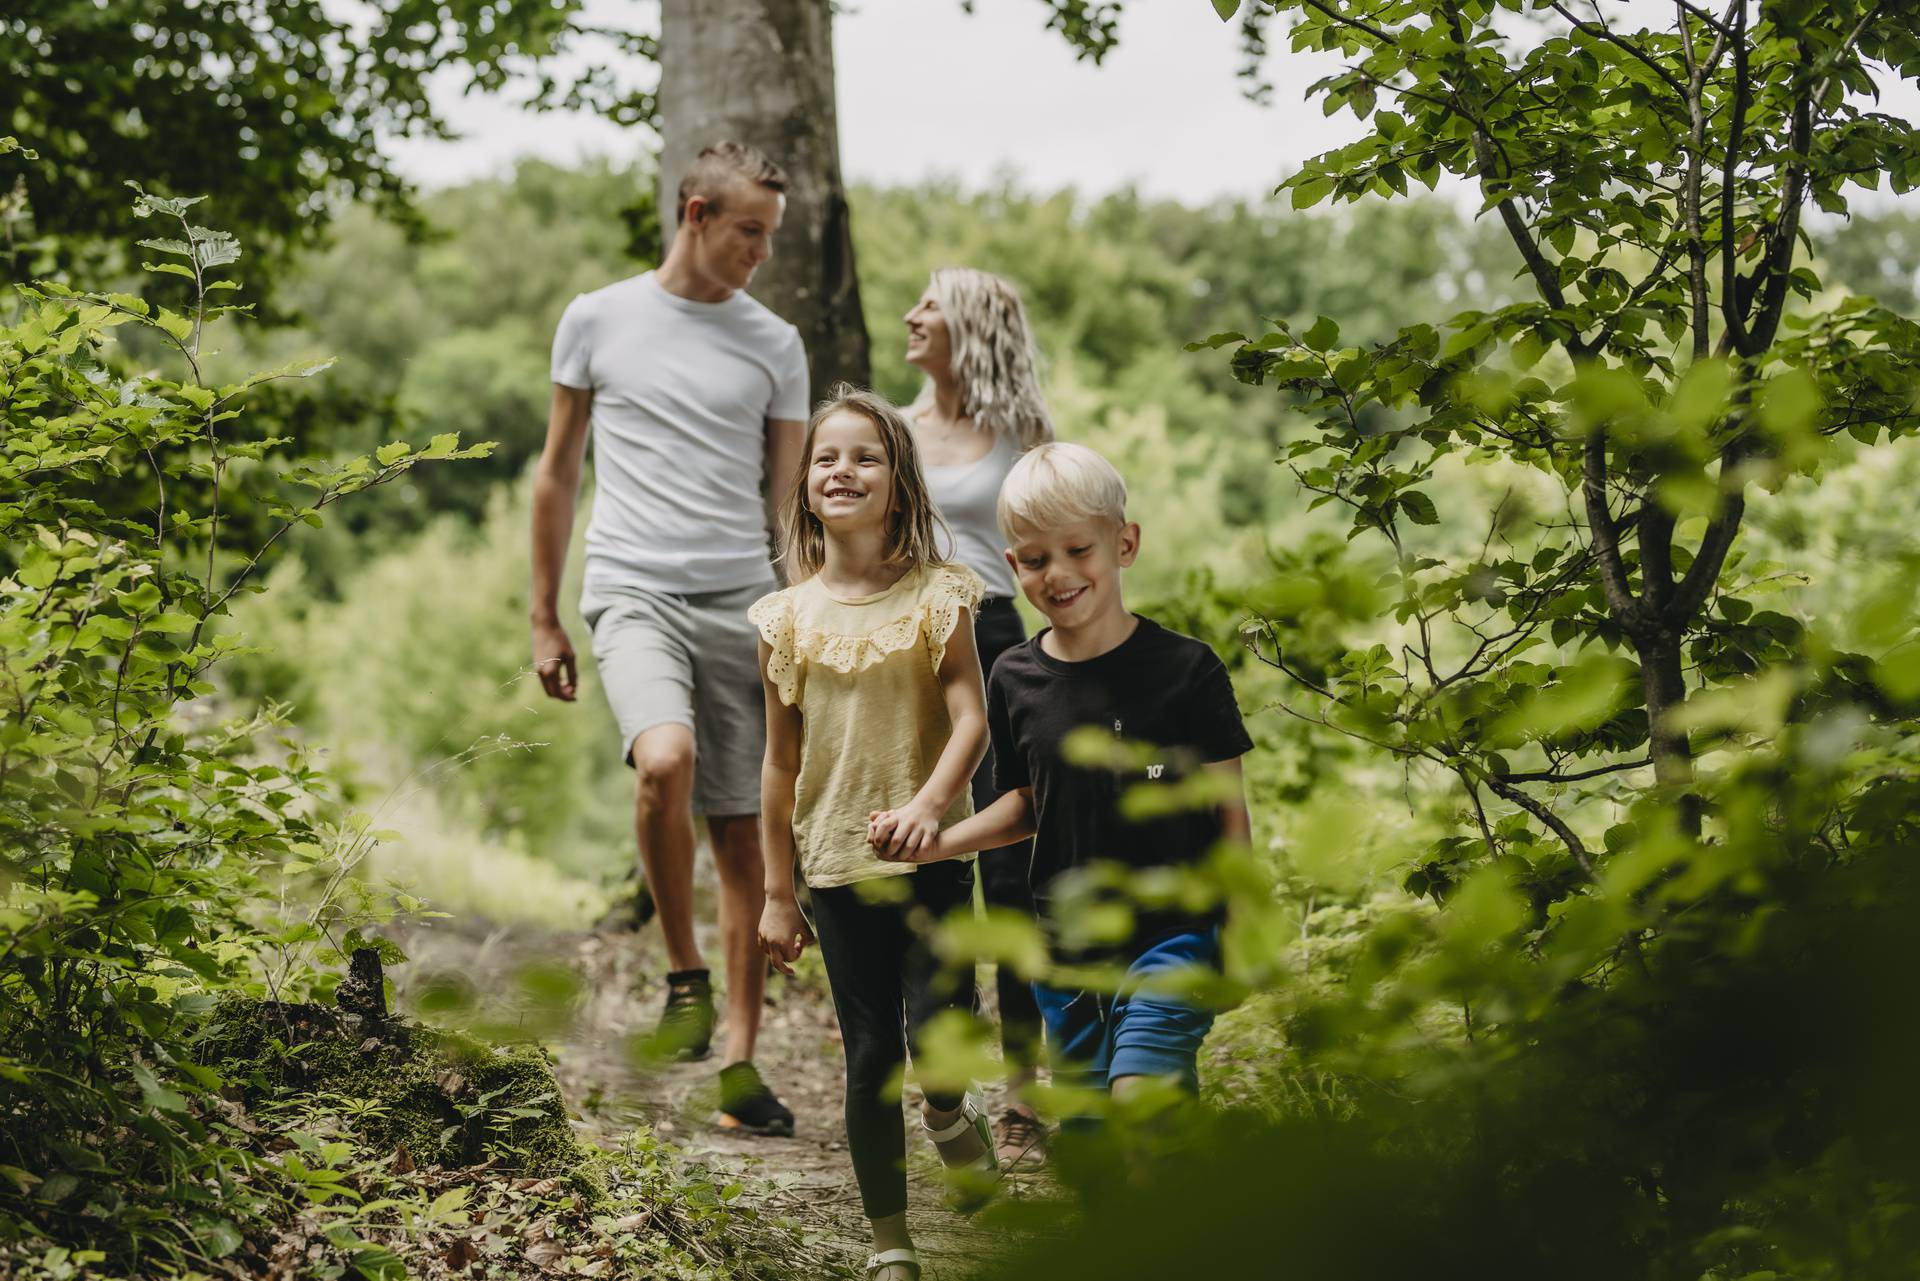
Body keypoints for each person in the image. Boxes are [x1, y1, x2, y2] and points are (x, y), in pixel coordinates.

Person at [530, 141, 804, 1136]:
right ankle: (683, 970)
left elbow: (788, 508)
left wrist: (804, 616)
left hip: (743, 602)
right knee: (665, 759)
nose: (760, 254)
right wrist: (544, 613)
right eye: (748, 232)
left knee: (742, 837)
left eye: (770, 237)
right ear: (695, 213)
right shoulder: (596, 319)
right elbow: (558, 472)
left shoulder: (775, 344)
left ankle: (739, 1063)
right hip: (633, 589)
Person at [878, 441, 1253, 1106]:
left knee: (1141, 1096)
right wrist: (936, 838)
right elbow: (1026, 804)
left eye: (1079, 550)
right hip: (1066, 954)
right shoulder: (1014, 678)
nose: (1059, 573)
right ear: (1011, 565)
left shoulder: (1188, 671)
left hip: (1175, 932)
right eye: (1037, 558)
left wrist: (1246, 924)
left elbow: (1228, 810)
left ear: (1124, 543)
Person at [752, 388, 998, 1281]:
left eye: (864, 456)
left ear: (897, 482)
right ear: (806, 486)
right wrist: (779, 892)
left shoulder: (940, 596)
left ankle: (947, 1113)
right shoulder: (784, 618)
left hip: (931, 859)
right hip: (836, 866)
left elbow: (972, 717)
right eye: (826, 458)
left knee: (939, 1036)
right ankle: (890, 1242)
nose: (842, 470)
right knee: (868, 1053)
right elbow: (780, 764)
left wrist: (935, 806)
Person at [902, 267, 1053, 1165]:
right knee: (932, 865)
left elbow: (1052, 542)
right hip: (910, 647)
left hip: (999, 643)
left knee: (1014, 871)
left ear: (973, 326)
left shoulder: (1023, 430)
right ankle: (942, 1075)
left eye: (931, 305)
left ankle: (1027, 1090)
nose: (914, 317)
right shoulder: (893, 428)